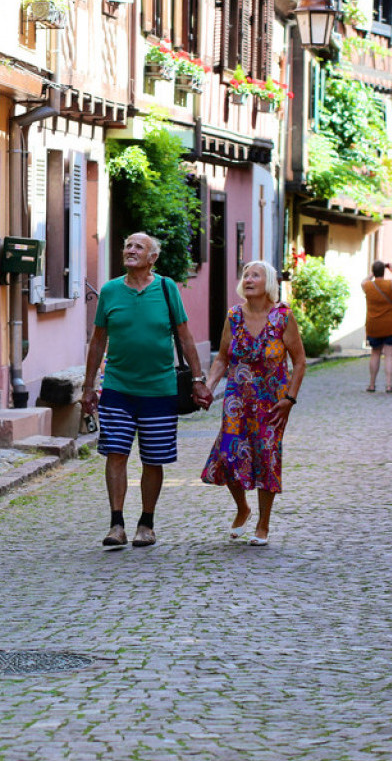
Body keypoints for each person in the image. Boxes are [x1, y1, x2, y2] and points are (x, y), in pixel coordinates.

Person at [81, 232, 212, 548]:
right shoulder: (111, 291)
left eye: (139, 246)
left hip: (160, 389)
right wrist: (88, 386)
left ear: (153, 257)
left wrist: (197, 379)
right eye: (127, 245)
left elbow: (184, 336)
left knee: (154, 458)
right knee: (116, 453)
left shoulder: (166, 289)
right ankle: (116, 524)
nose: (130, 250)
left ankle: (146, 523)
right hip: (117, 387)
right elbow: (98, 340)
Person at [201, 261, 306, 546]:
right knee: (228, 454)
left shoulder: (283, 316)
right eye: (246, 274)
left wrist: (289, 399)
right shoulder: (234, 316)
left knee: (266, 455)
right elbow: (222, 358)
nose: (248, 279)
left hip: (272, 402)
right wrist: (209, 388)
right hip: (237, 399)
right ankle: (242, 508)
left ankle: (263, 524)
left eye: (255, 275)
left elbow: (299, 362)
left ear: (268, 282)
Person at [361, 260, 392, 393]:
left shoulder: (368, 286)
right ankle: (389, 385)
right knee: (389, 355)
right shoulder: (389, 285)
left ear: (374, 272)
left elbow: (363, 281)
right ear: (384, 272)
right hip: (389, 325)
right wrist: (390, 269)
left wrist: (372, 273)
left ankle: (372, 384)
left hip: (373, 325)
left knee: (375, 354)